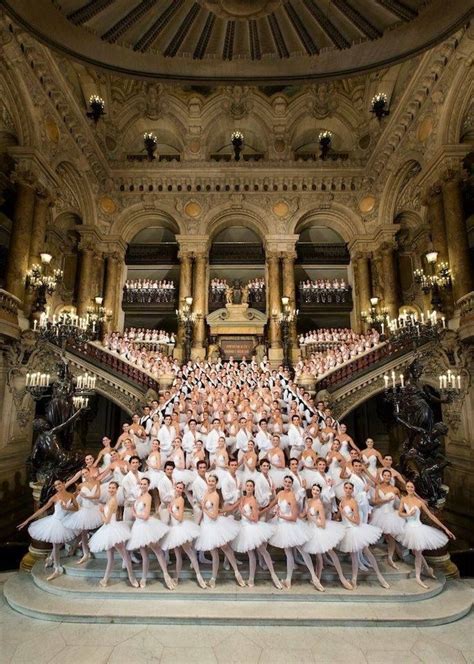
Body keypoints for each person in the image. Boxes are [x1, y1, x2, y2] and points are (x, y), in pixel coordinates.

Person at [265, 476, 323, 590]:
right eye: (285, 481)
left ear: (292, 484)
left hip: (291, 526)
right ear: (283, 482)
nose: (287, 483)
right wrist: (262, 511)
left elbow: (294, 518)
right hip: (281, 526)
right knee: (288, 554)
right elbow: (271, 504)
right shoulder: (280, 493)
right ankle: (288, 579)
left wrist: (280, 515)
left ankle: (315, 578)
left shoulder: (292, 496)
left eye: (289, 482)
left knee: (302, 551)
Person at [397, 480, 455, 588]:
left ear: (414, 489)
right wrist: (407, 514)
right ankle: (427, 569)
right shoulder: (403, 499)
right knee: (415, 552)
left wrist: (445, 529)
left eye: (412, 487)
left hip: (418, 528)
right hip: (408, 528)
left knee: (418, 554)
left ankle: (418, 577)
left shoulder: (419, 502)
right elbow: (400, 513)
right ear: (406, 488)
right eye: (408, 487)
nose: (410, 488)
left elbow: (431, 516)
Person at [18, 478, 77, 581]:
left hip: (66, 521)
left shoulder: (71, 495)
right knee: (56, 545)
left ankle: (50, 559)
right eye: (56, 486)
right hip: (55, 523)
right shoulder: (54, 497)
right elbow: (42, 509)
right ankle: (57, 568)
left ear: (63, 484)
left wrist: (67, 508)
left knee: (60, 544)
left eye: (59, 484)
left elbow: (76, 508)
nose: (58, 486)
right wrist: (27, 520)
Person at [194, 474, 244, 588]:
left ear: (216, 483)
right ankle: (213, 578)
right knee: (213, 553)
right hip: (206, 526)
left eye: (213, 481)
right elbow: (204, 510)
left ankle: (237, 572)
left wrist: (204, 509)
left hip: (214, 524)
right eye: (209, 481)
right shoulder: (206, 492)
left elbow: (214, 516)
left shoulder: (216, 496)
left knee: (225, 547)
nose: (210, 483)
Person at [338, 481, 390, 590]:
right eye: (346, 488)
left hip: (355, 529)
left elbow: (357, 521)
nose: (347, 490)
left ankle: (380, 576)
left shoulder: (353, 502)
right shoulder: (342, 500)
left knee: (367, 552)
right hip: (347, 530)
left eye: (349, 488)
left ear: (352, 490)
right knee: (353, 556)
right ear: (344, 489)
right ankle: (354, 579)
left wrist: (344, 514)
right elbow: (341, 515)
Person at [231, 480, 282, 589]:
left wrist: (244, 513)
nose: (249, 487)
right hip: (244, 528)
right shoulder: (243, 499)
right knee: (251, 555)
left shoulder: (253, 501)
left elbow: (255, 518)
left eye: (251, 486)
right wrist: (220, 511)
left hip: (253, 528)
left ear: (253, 488)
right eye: (247, 485)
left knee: (263, 551)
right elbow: (231, 508)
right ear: (245, 487)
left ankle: (274, 575)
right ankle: (251, 578)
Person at [88, 482, 139, 588]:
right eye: (109, 488)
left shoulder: (112, 501)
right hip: (108, 530)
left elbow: (106, 521)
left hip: (113, 529)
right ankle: (105, 578)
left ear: (117, 490)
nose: (111, 489)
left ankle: (132, 578)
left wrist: (101, 512)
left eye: (113, 488)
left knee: (125, 556)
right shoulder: (110, 500)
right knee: (110, 558)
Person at [302, 483, 352, 590]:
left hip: (320, 529)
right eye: (314, 489)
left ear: (320, 493)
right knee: (318, 556)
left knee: (331, 553)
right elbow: (305, 515)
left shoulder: (319, 504)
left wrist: (313, 519)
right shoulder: (309, 501)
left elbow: (323, 523)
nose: (315, 492)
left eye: (317, 490)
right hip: (311, 529)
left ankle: (342, 577)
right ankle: (317, 579)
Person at [126, 477, 174, 590]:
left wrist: (135, 514)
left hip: (146, 525)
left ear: (148, 486)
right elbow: (136, 507)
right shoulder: (139, 496)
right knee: (143, 554)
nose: (142, 486)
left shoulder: (148, 497)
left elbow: (146, 515)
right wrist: (134, 511)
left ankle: (166, 575)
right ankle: (144, 578)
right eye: (141, 484)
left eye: (144, 484)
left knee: (157, 550)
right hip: (138, 527)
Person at [160, 481, 207, 589]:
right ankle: (176, 576)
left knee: (190, 553)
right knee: (177, 555)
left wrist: (171, 512)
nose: (179, 489)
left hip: (180, 529)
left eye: (181, 488)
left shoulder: (180, 500)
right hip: (173, 530)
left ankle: (199, 576)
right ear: (174, 487)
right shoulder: (172, 499)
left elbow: (180, 518)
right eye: (178, 487)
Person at [64, 467, 102, 564]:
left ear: (89, 472)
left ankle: (91, 547)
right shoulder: (80, 485)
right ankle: (86, 553)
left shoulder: (97, 482)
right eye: (83, 474)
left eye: (86, 472)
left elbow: (98, 496)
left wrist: (87, 496)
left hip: (95, 508)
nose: (84, 475)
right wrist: (70, 505)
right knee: (83, 532)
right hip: (85, 509)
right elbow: (76, 497)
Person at [371, 468, 406, 569]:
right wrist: (385, 501)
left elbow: (399, 503)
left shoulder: (395, 489)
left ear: (390, 477)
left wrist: (399, 510)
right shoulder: (378, 487)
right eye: (385, 475)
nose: (386, 477)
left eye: (388, 476)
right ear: (382, 476)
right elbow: (376, 501)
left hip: (390, 514)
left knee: (390, 536)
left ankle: (390, 557)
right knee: (387, 535)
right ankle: (398, 551)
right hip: (380, 513)